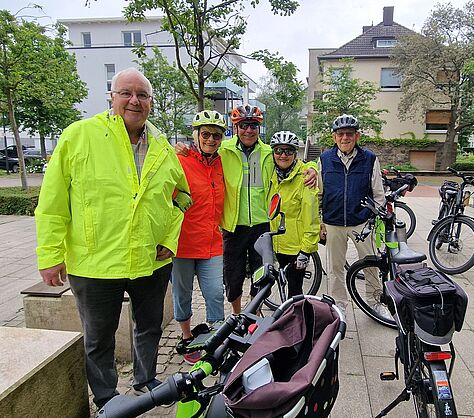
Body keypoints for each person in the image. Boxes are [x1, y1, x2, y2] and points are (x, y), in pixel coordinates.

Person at [35, 67, 191, 409]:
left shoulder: (163, 146)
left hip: (152, 259)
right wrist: (49, 254)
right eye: (126, 93)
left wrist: (170, 236)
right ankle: (107, 399)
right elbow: (52, 202)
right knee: (98, 338)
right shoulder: (79, 136)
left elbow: (181, 197)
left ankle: (145, 380)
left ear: (151, 102)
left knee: (149, 327)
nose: (134, 100)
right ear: (112, 97)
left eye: (142, 95)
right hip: (95, 262)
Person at [176, 104, 317, 314]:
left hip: (262, 225)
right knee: (233, 275)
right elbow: (200, 155)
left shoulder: (269, 152)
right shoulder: (223, 151)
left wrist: (312, 168)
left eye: (253, 125)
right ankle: (236, 314)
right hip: (234, 226)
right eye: (243, 125)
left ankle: (254, 313)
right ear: (236, 127)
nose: (248, 130)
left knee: (262, 273)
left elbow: (296, 164)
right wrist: (182, 150)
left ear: (258, 128)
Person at [172, 110, 226, 364]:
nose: (211, 139)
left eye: (216, 135)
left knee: (215, 292)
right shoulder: (181, 161)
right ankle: (186, 336)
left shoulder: (223, 162)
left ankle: (216, 335)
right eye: (206, 134)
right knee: (182, 294)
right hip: (182, 243)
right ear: (196, 135)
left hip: (212, 242)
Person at [318, 114, 386, 311]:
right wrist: (320, 222)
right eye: (340, 134)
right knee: (334, 268)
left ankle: (374, 302)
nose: (345, 138)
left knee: (371, 263)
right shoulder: (325, 159)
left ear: (357, 136)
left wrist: (373, 219)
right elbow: (319, 194)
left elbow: (378, 193)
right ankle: (339, 304)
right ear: (334, 137)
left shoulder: (370, 159)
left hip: (361, 221)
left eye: (349, 133)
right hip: (333, 221)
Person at [268, 131, 320, 296]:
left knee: (295, 293)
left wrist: (306, 250)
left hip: (296, 248)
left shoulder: (305, 176)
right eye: (279, 151)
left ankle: (299, 322)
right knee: (282, 289)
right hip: (276, 243)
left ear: (295, 152)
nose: (283, 155)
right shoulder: (270, 173)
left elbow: (311, 218)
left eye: (288, 151)